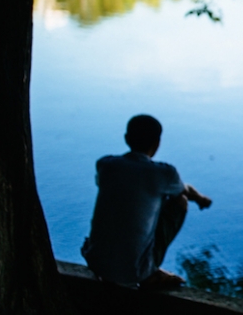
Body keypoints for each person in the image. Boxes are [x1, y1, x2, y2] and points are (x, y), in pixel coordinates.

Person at [81, 114, 212, 289]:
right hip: (133, 272)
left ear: (127, 139)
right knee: (179, 201)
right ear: (157, 143)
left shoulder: (106, 165)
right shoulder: (164, 174)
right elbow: (184, 191)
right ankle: (150, 271)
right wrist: (201, 198)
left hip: (96, 263)